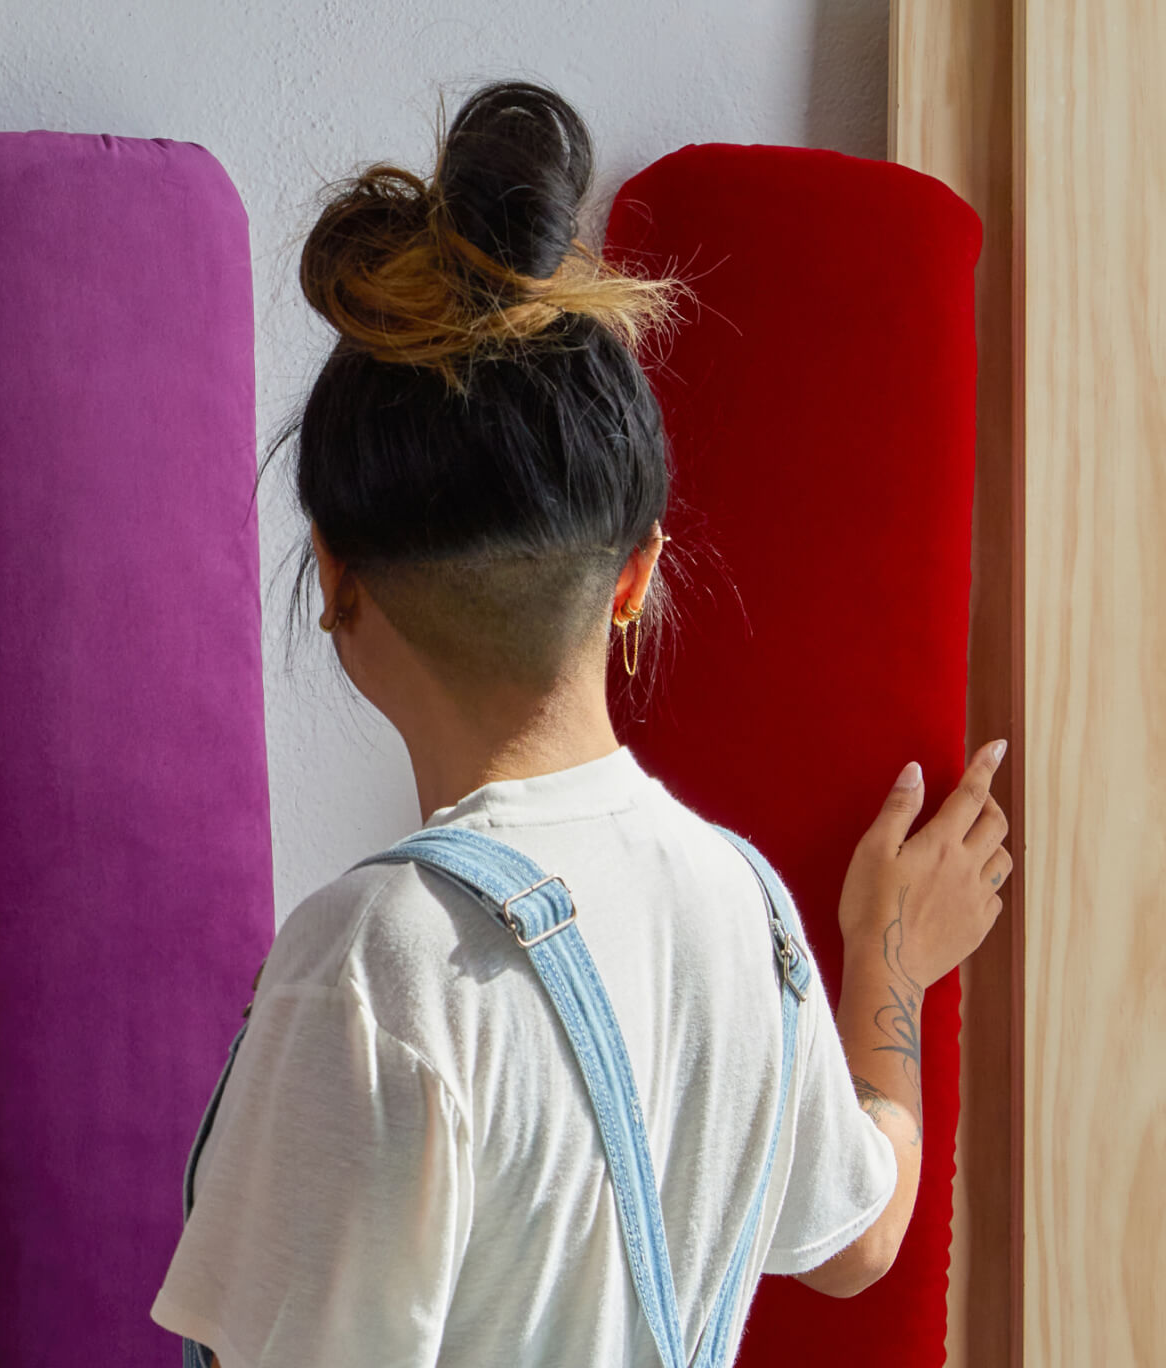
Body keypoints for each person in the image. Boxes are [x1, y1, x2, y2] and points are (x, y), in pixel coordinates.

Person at [149, 81, 1010, 1367]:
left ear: (333, 579)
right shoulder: (737, 906)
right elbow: (860, 1233)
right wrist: (883, 963)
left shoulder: (377, 965)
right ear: (634, 578)